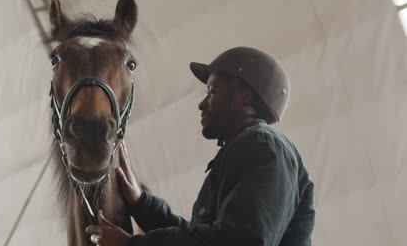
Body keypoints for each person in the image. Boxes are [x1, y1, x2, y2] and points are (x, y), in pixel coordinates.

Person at [86, 47, 316, 246]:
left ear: (244, 97)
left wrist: (132, 244)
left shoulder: (264, 147)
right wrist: (142, 203)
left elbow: (239, 242)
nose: (201, 104)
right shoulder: (249, 149)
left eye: (211, 91)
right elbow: (204, 240)